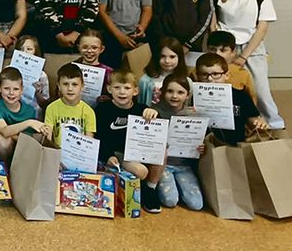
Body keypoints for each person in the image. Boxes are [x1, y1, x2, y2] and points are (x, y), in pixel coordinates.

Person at [213, 0, 284, 129]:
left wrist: (244, 56)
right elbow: (213, 23)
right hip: (224, 46)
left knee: (260, 90)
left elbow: (262, 28)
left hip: (251, 47)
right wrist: (221, 49)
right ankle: (226, 124)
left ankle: (274, 124)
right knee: (222, 86)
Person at [94, 71, 160, 212]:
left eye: (127, 88)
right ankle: (134, 188)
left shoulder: (141, 109)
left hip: (137, 152)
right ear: (109, 89)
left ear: (135, 91)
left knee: (161, 151)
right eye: (117, 87)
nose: (122, 92)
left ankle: (149, 190)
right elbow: (100, 136)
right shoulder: (103, 109)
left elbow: (156, 131)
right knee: (141, 171)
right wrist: (108, 156)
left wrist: (154, 114)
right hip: (117, 154)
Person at [148, 73, 204, 211]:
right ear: (162, 92)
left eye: (180, 92)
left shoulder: (193, 115)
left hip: (185, 165)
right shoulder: (155, 112)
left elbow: (201, 140)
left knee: (196, 204)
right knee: (170, 200)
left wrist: (201, 148)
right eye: (170, 91)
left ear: (188, 95)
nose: (175, 96)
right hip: (164, 166)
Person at [195, 53, 267, 146]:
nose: (210, 79)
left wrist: (259, 123)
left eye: (216, 74)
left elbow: (252, 119)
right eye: (204, 74)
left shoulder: (241, 96)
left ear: (227, 75)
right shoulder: (192, 97)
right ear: (197, 76)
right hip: (203, 147)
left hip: (235, 146)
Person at [0, 67, 48, 163]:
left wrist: (2, 132)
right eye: (6, 88)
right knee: (3, 140)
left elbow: (27, 141)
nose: (11, 93)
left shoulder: (29, 110)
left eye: (16, 89)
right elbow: (5, 131)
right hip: (1, 153)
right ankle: (3, 172)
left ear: (22, 90)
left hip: (23, 152)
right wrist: (29, 123)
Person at [43, 63, 97, 145]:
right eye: (65, 84)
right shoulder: (51, 108)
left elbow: (89, 141)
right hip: (57, 153)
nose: (70, 89)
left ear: (82, 86)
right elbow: (48, 137)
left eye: (74, 84)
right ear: (59, 86)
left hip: (79, 154)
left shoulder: (89, 111)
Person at [206, 30, 258, 104]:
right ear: (207, 50)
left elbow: (252, 98)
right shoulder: (196, 71)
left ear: (233, 52)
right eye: (212, 49)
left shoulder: (242, 73)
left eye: (223, 50)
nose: (217, 54)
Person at [138, 37, 188, 106]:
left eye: (172, 57)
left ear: (180, 58)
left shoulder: (187, 81)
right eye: (162, 56)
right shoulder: (144, 81)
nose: (167, 61)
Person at [15, 36, 49, 117]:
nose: (25, 52)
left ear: (35, 52)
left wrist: (37, 92)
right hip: (12, 111)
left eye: (29, 49)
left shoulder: (42, 75)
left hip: (34, 113)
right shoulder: (9, 70)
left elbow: (45, 104)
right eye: (21, 49)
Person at [76, 29, 112, 103]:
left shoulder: (109, 73)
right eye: (85, 47)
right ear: (79, 47)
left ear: (102, 49)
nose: (89, 51)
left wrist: (108, 99)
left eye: (94, 48)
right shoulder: (70, 68)